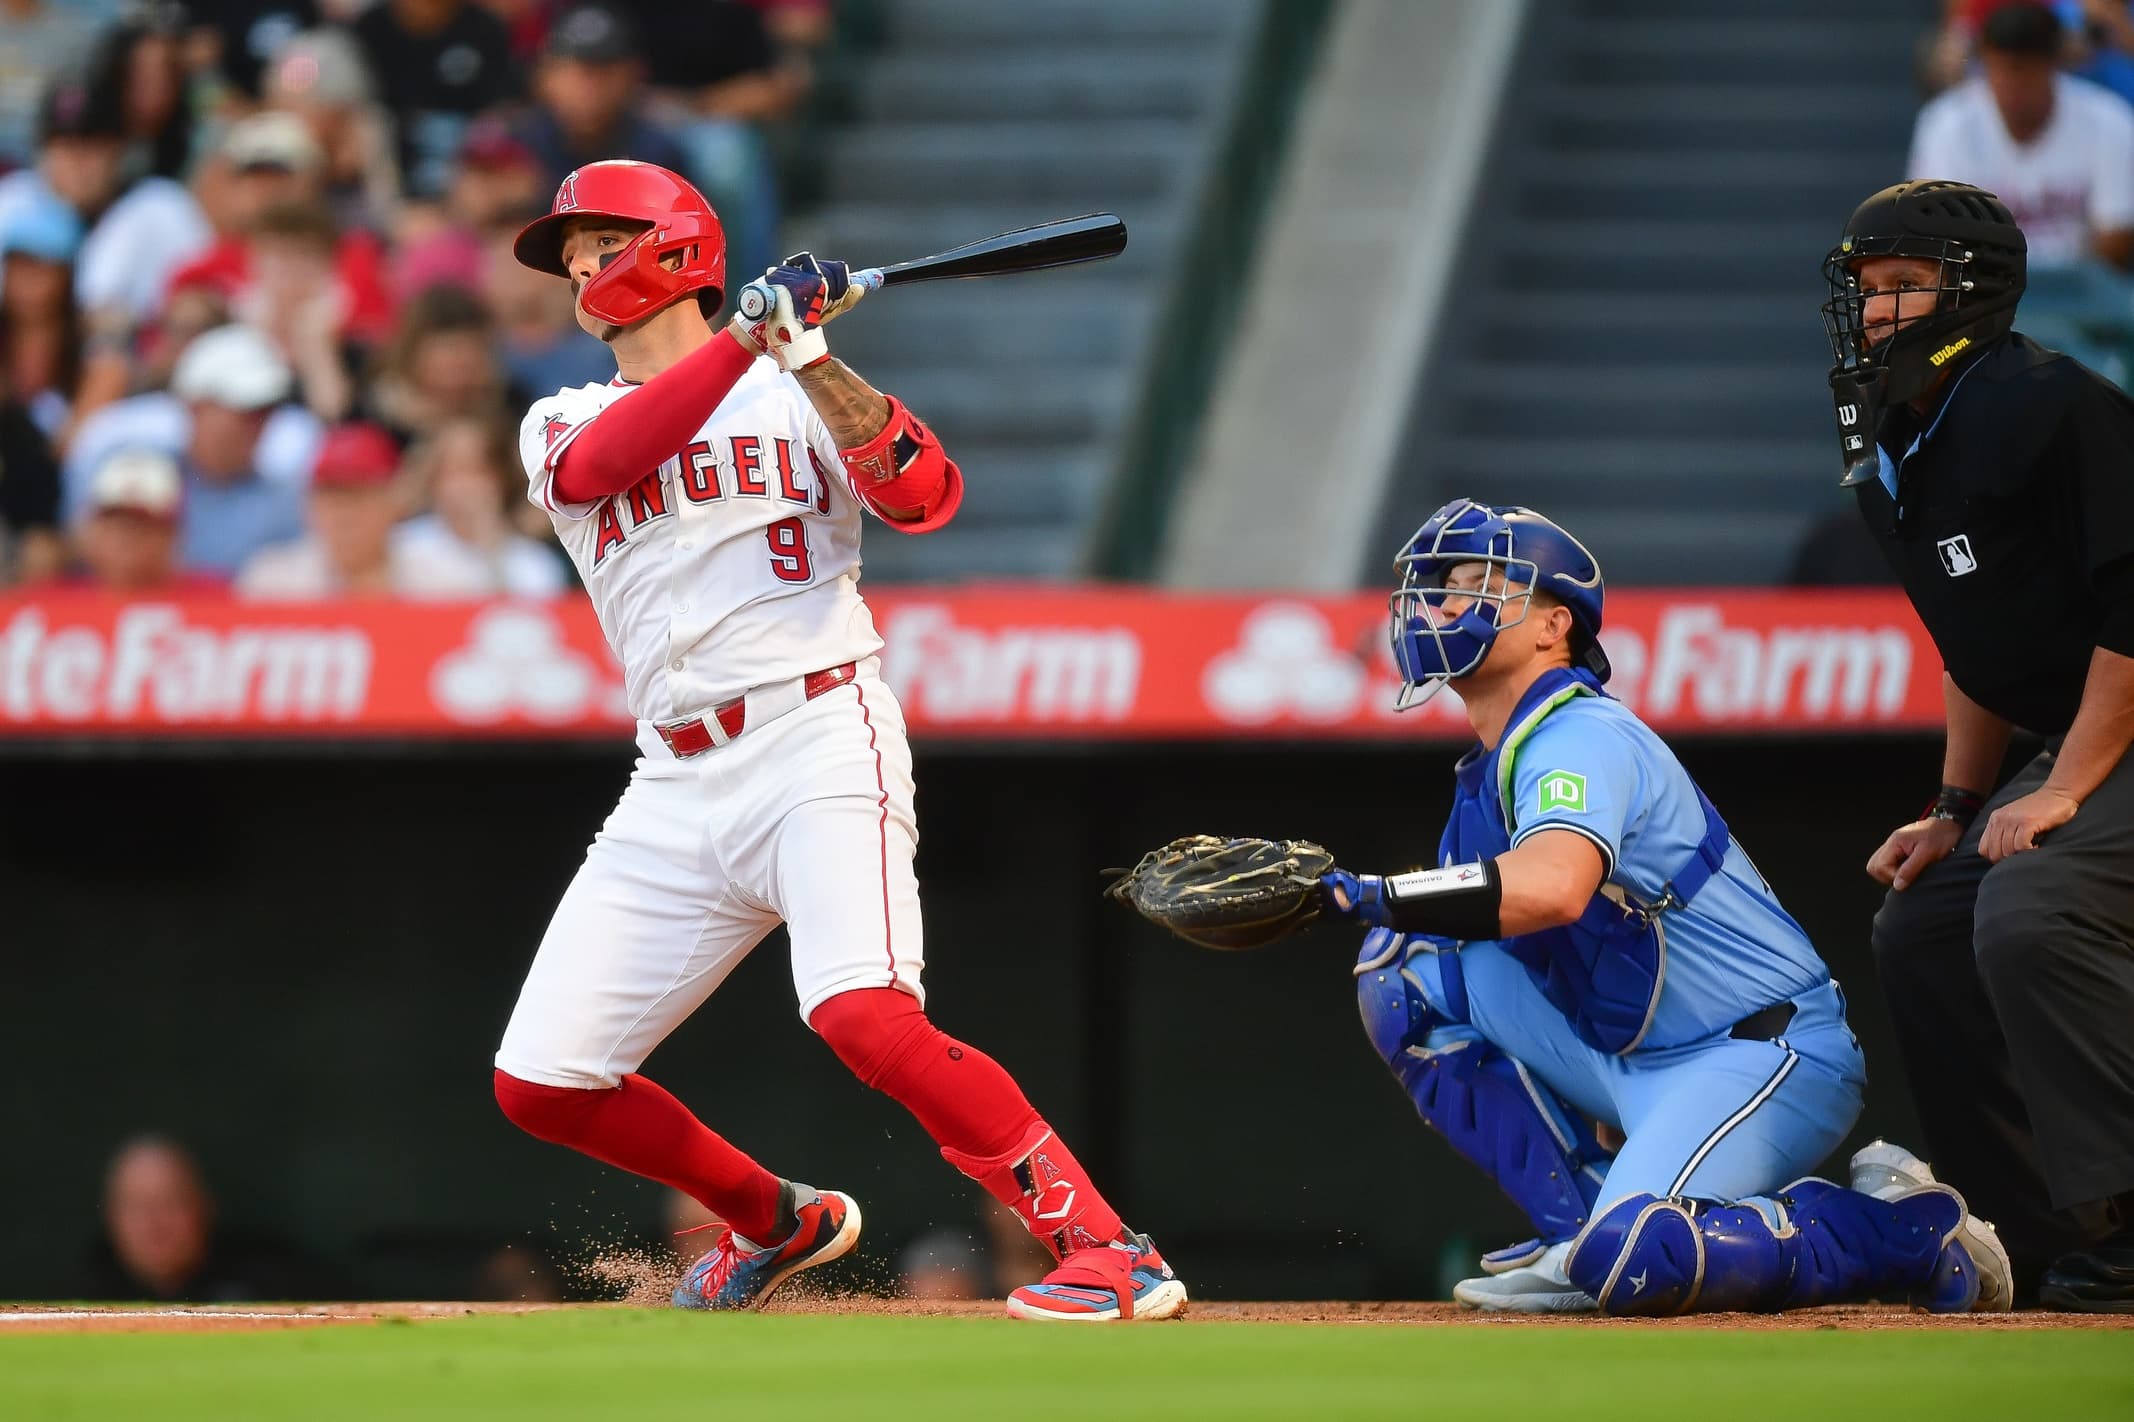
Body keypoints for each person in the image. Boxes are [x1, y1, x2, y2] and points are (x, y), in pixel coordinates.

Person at [489, 159, 1185, 1322]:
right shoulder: (564, 416)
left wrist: (809, 356)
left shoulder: (793, 393)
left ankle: (1110, 1249)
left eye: (600, 242)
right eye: (570, 254)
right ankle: (777, 1221)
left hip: (816, 729)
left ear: (674, 250)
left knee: (861, 1012)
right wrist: (749, 338)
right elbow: (608, 468)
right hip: (672, 774)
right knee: (541, 1084)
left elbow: (927, 497)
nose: (577, 268)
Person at [1296, 500, 2009, 1316]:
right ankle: (1579, 1223)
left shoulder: (1579, 734)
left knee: (1636, 1257)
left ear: (1550, 626)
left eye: (1480, 586)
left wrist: (1362, 894)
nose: (1447, 604)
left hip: (1759, 1052)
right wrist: (1373, 911)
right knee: (1408, 969)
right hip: (1634, 1059)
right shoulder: (1488, 776)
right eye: (1445, 587)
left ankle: (1901, 1227)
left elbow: (1554, 885)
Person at [1822, 178, 2134, 1312]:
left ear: (1973, 292)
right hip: (2088, 730)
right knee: (1925, 921)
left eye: (1904, 286)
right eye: (1866, 291)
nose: (1877, 313)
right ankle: (2049, 1232)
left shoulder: (2049, 404)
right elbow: (1975, 643)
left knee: (2033, 902)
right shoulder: (1893, 446)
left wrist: (2064, 791)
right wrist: (1955, 807)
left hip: (2115, 722)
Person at [65, 322, 314, 574]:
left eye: (265, 412)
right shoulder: (132, 467)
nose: (259, 424)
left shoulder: (283, 499)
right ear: (194, 408)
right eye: (245, 411)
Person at [1909, 0, 2134, 269]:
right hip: (1981, 295)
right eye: (2003, 69)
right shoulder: (1945, 124)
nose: (2014, 86)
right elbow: (1931, 232)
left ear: (2052, 63)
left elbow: (2117, 238)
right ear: (1985, 62)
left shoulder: (2109, 118)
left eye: (2026, 71)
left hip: (2080, 301)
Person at [239, 418, 494, 599]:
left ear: (394, 501)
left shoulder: (447, 580)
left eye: (358, 497)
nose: (344, 515)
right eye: (330, 498)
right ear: (308, 505)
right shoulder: (273, 582)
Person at [80, 1134, 305, 1303]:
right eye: (136, 1206)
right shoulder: (83, 1296)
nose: (153, 1223)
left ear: (204, 1207)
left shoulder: (272, 1284)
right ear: (111, 1217)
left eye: (170, 1201)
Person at [396, 415, 567, 597]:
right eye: (452, 472)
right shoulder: (404, 547)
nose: (464, 486)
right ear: (432, 480)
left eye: (477, 472)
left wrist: (490, 548)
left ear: (501, 479)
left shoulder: (534, 562)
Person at [67, 446, 213, 592]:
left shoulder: (214, 599)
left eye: (142, 523)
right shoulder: (60, 599)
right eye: (115, 523)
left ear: (172, 532)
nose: (126, 538)